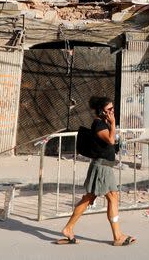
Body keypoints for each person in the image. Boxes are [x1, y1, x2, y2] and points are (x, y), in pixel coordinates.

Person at [56, 96, 136, 246]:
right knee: (111, 198)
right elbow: (111, 140)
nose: (112, 111)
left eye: (113, 108)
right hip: (102, 168)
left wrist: (111, 123)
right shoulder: (99, 125)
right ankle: (117, 236)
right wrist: (113, 124)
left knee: (89, 199)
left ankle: (68, 228)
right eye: (109, 109)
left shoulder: (104, 123)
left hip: (105, 167)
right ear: (101, 111)